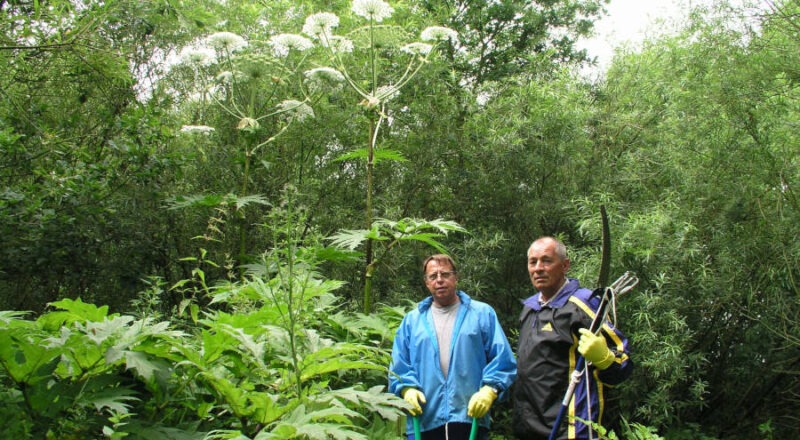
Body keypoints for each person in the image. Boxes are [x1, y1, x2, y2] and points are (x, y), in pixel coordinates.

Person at [513, 237, 633, 440]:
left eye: (546, 261)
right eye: (533, 262)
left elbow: (623, 363)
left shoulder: (583, 304)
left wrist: (604, 358)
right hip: (528, 427)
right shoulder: (530, 307)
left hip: (570, 428)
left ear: (565, 265)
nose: (538, 268)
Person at [389, 254, 517, 440]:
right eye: (433, 276)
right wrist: (406, 389)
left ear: (456, 277)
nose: (439, 280)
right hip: (424, 420)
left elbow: (503, 360)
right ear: (426, 283)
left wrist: (490, 390)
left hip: (470, 418)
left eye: (445, 274)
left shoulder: (482, 314)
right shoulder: (412, 321)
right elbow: (398, 365)